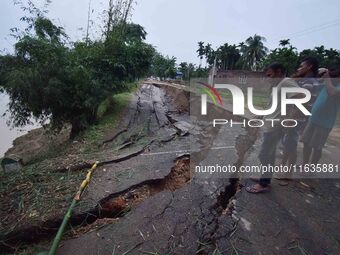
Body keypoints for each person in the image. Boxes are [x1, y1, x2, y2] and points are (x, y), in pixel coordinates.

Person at [246, 63, 300, 193]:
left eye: (270, 75)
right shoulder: (276, 86)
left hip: (276, 127)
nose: (268, 78)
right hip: (270, 125)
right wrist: (259, 116)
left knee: (264, 154)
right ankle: (265, 179)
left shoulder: (286, 82)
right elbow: (271, 106)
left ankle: (264, 183)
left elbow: (301, 96)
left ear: (279, 71)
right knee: (269, 154)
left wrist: (290, 118)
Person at [277, 57, 320, 179]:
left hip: (297, 118)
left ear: (310, 66)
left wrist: (290, 119)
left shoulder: (308, 82)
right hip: (296, 117)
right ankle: (282, 168)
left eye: (301, 66)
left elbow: (303, 103)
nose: (299, 68)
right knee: (288, 144)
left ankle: (288, 173)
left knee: (291, 145)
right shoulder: (306, 81)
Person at [301, 68, 340, 165]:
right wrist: (322, 75)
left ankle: (312, 168)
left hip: (325, 123)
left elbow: (333, 93)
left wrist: (327, 78)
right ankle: (305, 164)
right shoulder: (326, 84)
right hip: (313, 119)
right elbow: (316, 84)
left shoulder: (335, 86)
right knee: (306, 143)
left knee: (317, 147)